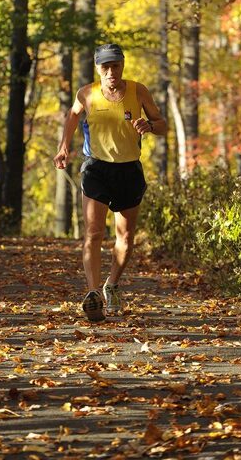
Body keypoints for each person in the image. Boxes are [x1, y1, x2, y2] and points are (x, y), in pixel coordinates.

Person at [53, 43, 167, 322]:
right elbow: (72, 115)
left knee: (125, 238)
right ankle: (92, 294)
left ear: (122, 65)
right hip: (96, 169)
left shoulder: (138, 90)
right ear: (98, 68)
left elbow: (163, 125)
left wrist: (149, 126)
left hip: (129, 170)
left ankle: (111, 285)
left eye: (115, 65)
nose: (111, 71)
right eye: (105, 66)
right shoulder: (87, 93)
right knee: (93, 232)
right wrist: (64, 146)